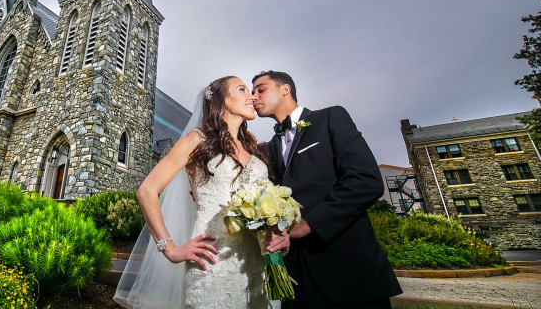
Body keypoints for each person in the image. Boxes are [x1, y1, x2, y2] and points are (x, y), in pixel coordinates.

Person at [114, 76, 286, 309]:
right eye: (243, 89)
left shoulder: (254, 149)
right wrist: (170, 248)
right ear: (223, 99)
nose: (252, 96)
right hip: (211, 265)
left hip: (257, 268)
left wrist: (278, 235)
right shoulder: (197, 140)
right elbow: (147, 190)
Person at [251, 70, 402, 309]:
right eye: (251, 92)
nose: (254, 96)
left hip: (348, 269)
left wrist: (310, 224)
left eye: (260, 89)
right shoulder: (269, 148)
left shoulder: (331, 117)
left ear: (285, 89)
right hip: (296, 279)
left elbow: (365, 180)